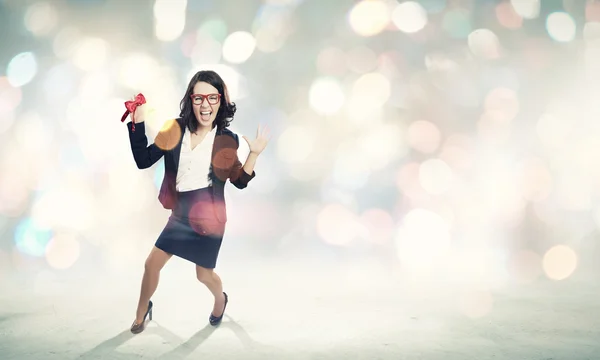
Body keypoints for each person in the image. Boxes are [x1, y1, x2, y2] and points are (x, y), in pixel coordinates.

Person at [125, 70, 269, 334]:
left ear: (221, 102)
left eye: (212, 98)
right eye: (199, 97)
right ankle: (140, 313)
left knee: (203, 275)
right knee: (151, 264)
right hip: (180, 214)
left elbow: (238, 180)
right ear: (190, 100)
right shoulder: (174, 129)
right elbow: (143, 160)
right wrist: (137, 123)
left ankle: (220, 300)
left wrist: (254, 154)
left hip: (210, 218)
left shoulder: (228, 140)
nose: (205, 105)